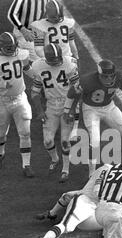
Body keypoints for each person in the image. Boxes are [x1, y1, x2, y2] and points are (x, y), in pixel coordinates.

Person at [63, 59, 122, 177]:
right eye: (105, 76)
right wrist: (68, 111)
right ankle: (91, 173)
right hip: (91, 109)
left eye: (110, 76)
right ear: (99, 74)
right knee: (95, 141)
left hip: (109, 107)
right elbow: (72, 93)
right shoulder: (88, 81)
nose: (108, 79)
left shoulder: (121, 77)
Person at [0, 32, 36, 178]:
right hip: (2, 101)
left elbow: (27, 69)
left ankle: (26, 165)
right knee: (1, 134)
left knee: (25, 133)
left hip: (20, 99)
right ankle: (0, 155)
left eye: (13, 46)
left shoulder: (22, 54)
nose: (12, 50)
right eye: (9, 47)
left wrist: (39, 77)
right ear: (2, 46)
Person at [33, 164, 112, 238]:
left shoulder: (109, 170)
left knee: (115, 216)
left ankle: (108, 237)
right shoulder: (108, 169)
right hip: (87, 202)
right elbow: (97, 191)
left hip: (93, 207)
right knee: (67, 225)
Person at [31, 43, 79, 181]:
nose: (57, 62)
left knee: (64, 140)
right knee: (47, 141)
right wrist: (40, 111)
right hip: (51, 105)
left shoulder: (69, 64)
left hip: (67, 103)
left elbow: (77, 90)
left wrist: (72, 111)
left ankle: (65, 170)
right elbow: (34, 92)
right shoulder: (39, 66)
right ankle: (55, 159)